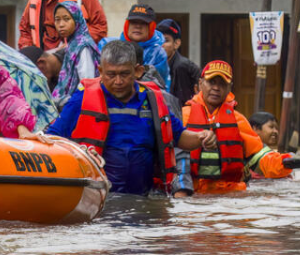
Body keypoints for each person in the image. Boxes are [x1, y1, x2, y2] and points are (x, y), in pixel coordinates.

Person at [47, 40, 215, 196]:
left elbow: (179, 136)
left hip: (144, 197)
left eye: (124, 74)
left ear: (138, 71)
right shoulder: (82, 99)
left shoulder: (152, 101)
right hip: (98, 198)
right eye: (111, 75)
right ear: (100, 71)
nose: (118, 81)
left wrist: (201, 137)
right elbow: (53, 137)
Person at [181, 60, 300, 193]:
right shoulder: (183, 116)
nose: (216, 88)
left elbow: (259, 157)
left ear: (230, 87)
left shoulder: (238, 120)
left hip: (230, 197)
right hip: (191, 195)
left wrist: (284, 163)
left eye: (222, 83)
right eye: (212, 82)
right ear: (200, 84)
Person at [100, 3, 170, 90]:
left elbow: (159, 86)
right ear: (127, 25)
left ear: (151, 27)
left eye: (143, 23)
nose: (138, 26)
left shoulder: (158, 54)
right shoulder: (107, 46)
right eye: (133, 22)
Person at [51, 1, 100, 106]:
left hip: (78, 106)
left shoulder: (83, 46)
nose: (61, 24)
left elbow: (87, 82)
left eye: (66, 19)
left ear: (77, 20)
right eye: (57, 20)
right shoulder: (72, 44)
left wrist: (68, 102)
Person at [157, 19, 199, 106]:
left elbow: (181, 104)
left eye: (166, 40)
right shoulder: (156, 64)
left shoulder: (182, 67)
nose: (161, 44)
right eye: (158, 40)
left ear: (176, 44)